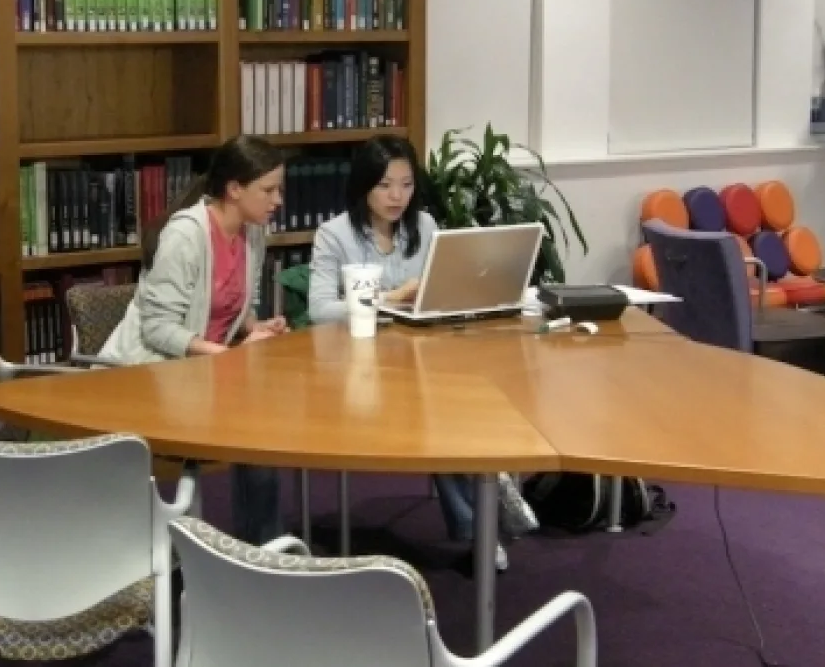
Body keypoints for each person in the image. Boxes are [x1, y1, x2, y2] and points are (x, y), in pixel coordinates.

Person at [307, 133, 515, 573]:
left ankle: (483, 521)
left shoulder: (425, 226)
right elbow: (320, 309)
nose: (397, 196)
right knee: (438, 411)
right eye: (385, 185)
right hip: (359, 369)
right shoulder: (335, 235)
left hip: (419, 362)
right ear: (364, 185)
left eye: (406, 184)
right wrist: (391, 297)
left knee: (465, 404)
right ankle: (486, 517)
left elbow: (441, 292)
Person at [97, 134, 290, 545]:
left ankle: (263, 550)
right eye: (269, 190)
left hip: (200, 373)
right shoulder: (185, 235)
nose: (278, 200)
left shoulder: (254, 233)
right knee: (255, 422)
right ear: (234, 189)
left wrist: (254, 328)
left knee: (265, 422)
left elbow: (228, 303)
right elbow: (157, 328)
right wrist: (224, 355)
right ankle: (246, 547)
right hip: (147, 374)